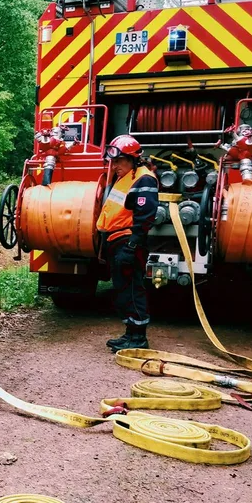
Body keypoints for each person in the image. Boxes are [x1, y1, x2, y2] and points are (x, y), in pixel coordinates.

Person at [96, 134, 158, 351]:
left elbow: (145, 217)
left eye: (119, 161)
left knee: (132, 290)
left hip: (128, 242)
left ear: (133, 159)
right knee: (122, 291)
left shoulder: (144, 178)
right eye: (113, 162)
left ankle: (139, 338)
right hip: (117, 241)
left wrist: (132, 246)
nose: (114, 166)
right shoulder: (125, 177)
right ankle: (130, 333)